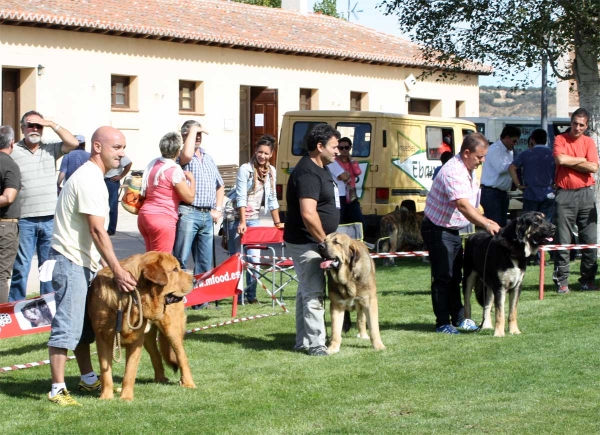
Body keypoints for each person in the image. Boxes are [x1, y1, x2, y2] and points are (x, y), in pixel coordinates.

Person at [47, 126, 137, 406]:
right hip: (70, 260)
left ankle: (87, 379)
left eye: (123, 148)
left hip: (81, 261)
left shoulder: (95, 177)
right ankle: (57, 390)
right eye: (116, 148)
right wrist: (118, 271)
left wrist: (101, 265)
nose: (121, 154)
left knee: (85, 327)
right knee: (67, 327)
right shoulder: (90, 180)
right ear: (97, 147)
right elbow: (98, 231)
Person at [420, 132, 500, 335]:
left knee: (455, 276)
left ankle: (459, 319)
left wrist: (486, 219)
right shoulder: (453, 171)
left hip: (451, 229)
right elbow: (463, 205)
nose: (482, 161)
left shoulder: (468, 169)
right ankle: (442, 323)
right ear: (466, 152)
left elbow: (472, 202)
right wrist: (486, 224)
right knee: (443, 276)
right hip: (437, 228)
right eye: (479, 157)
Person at [8, 111, 79, 302]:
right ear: (22, 127)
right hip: (24, 218)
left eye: (38, 126)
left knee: (48, 267)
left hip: (49, 218)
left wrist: (50, 123)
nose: (34, 129)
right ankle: (16, 307)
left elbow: (73, 143)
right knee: (21, 266)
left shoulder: (50, 148)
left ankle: (46, 305)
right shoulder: (13, 150)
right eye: (30, 125)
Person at [284, 123, 340, 356]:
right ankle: (317, 344)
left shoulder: (322, 168)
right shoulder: (307, 172)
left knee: (306, 291)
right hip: (307, 242)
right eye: (334, 147)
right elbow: (308, 213)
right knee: (314, 293)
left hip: (314, 241)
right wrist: (326, 244)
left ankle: (303, 342)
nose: (338, 151)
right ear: (320, 146)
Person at [173, 121, 224, 309]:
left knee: (204, 261)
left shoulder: (208, 157)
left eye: (201, 133)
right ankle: (176, 298)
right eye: (196, 133)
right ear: (186, 135)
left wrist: (218, 208)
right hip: (188, 211)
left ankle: (200, 301)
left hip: (206, 215)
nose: (199, 137)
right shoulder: (182, 157)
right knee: (180, 258)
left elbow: (220, 186)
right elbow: (186, 154)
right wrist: (193, 130)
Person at [226, 134, 282, 304]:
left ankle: (251, 296)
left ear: (271, 154)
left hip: (255, 217)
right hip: (236, 216)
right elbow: (241, 196)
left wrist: (277, 222)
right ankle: (238, 296)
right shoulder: (246, 169)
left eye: (265, 153)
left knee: (254, 260)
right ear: (255, 151)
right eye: (259, 152)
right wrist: (242, 221)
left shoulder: (271, 171)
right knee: (237, 258)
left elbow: (272, 198)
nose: (262, 156)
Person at [552, 108, 599, 294]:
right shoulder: (560, 139)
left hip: (587, 194)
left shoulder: (589, 142)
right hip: (564, 194)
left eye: (581, 125)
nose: (577, 127)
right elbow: (560, 160)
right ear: (570, 122)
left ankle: (587, 280)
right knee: (563, 240)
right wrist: (582, 161)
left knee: (590, 240)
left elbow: (593, 166)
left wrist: (570, 160)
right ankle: (562, 282)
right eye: (574, 123)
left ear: (586, 126)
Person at [138, 132, 196, 252]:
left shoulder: (154, 164)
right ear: (178, 151)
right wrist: (192, 180)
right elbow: (189, 198)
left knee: (150, 261)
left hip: (145, 215)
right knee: (162, 262)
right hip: (162, 218)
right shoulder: (174, 170)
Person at [508, 129, 555, 266]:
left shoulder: (526, 154)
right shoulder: (552, 154)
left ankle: (527, 254)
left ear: (532, 140)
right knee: (546, 226)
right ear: (546, 140)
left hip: (530, 193)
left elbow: (511, 168)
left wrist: (518, 184)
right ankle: (541, 257)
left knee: (527, 226)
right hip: (548, 193)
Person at [480, 125, 521, 227]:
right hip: (491, 193)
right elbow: (501, 168)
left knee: (502, 226)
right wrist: (516, 165)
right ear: (507, 137)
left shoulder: (509, 151)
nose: (514, 144)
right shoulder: (494, 149)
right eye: (514, 141)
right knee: (495, 226)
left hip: (502, 193)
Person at [0, 126, 20, 304]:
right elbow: (8, 197)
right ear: (12, 143)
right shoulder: (9, 164)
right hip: (5, 226)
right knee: (1, 276)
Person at [327, 137, 364, 226]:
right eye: (341, 148)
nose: (344, 150)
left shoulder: (352, 161)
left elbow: (357, 172)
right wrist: (345, 176)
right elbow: (343, 176)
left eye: (346, 148)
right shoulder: (335, 160)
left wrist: (351, 160)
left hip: (351, 193)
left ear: (350, 148)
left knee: (359, 220)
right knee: (341, 218)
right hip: (340, 194)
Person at [104, 154, 132, 235]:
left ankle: (111, 229)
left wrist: (121, 176)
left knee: (112, 206)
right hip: (102, 178)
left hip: (111, 180)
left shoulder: (117, 153)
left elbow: (128, 163)